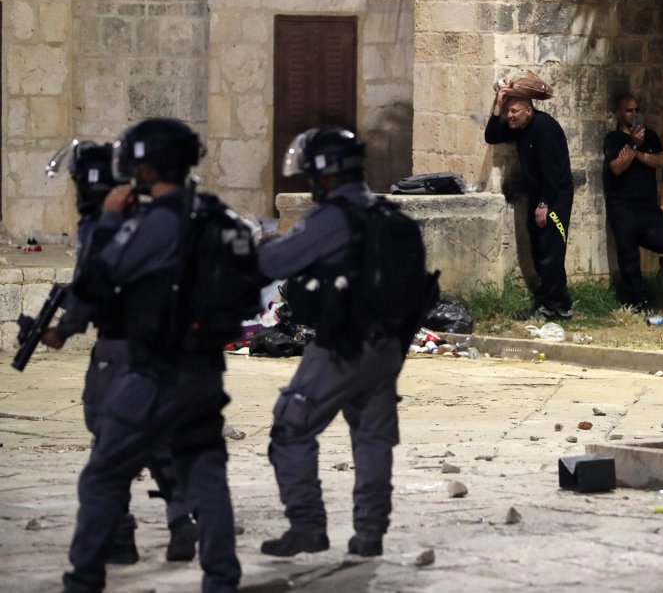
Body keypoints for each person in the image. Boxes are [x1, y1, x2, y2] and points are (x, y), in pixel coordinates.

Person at [65, 118, 241, 593]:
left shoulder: (150, 223)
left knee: (103, 472)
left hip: (153, 369)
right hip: (205, 370)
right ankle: (221, 578)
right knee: (206, 475)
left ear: (148, 167)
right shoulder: (216, 215)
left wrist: (109, 221)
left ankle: (85, 578)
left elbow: (94, 282)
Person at [258, 127, 412, 559]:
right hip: (388, 346)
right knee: (372, 439)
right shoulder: (386, 213)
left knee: (290, 428)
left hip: (341, 345)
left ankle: (307, 526)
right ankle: (370, 533)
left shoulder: (332, 217)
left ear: (326, 175)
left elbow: (275, 262)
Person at [42, 140, 197, 566]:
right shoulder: (154, 221)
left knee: (109, 442)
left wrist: (63, 330)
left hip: (119, 352)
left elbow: (90, 287)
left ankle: (119, 537)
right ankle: (181, 519)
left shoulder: (102, 229)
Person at [485, 84, 574, 320]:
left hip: (554, 196)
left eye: (514, 111)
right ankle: (557, 304)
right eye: (509, 111)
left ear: (528, 110)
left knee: (550, 251)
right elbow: (492, 136)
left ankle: (554, 306)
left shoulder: (544, 128)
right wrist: (498, 104)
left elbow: (552, 171)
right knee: (539, 250)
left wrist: (544, 204)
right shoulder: (521, 127)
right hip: (538, 195)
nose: (510, 116)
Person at [601, 94, 663, 309]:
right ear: (618, 114)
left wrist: (637, 152)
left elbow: (661, 160)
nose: (633, 114)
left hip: (647, 205)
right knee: (628, 257)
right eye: (629, 110)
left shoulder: (649, 136)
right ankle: (638, 300)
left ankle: (636, 237)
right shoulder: (614, 139)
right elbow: (617, 167)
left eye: (636, 110)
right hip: (622, 206)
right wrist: (632, 144)